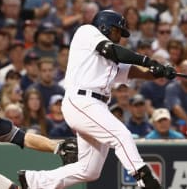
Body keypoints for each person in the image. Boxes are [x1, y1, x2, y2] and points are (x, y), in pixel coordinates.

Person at [18, 10, 176, 189]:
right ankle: (145, 180)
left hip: (96, 106)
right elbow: (111, 50)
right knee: (121, 135)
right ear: (104, 25)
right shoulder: (87, 32)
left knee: (89, 170)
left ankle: (34, 181)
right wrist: (148, 61)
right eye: (117, 31)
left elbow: (132, 71)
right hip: (80, 100)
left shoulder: (111, 60)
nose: (119, 36)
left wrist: (160, 71)